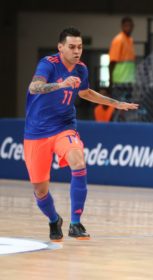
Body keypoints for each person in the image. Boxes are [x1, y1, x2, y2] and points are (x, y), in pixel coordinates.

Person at [24, 27, 138, 242]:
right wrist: (60, 84)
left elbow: (85, 93)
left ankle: (76, 223)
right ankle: (53, 219)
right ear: (60, 48)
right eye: (72, 47)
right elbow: (34, 87)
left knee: (78, 162)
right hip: (36, 132)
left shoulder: (81, 69)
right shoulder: (48, 64)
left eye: (80, 47)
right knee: (40, 190)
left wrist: (116, 103)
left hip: (64, 126)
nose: (77, 51)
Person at [109, 17, 136, 121]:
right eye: (126, 25)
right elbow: (112, 62)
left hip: (129, 82)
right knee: (117, 106)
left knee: (128, 107)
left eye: (130, 26)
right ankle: (115, 127)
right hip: (119, 81)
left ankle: (125, 126)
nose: (128, 28)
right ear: (122, 26)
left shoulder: (130, 40)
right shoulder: (118, 40)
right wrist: (110, 81)